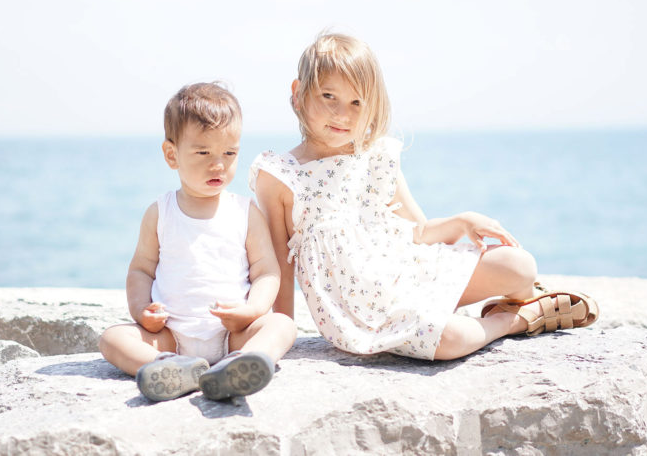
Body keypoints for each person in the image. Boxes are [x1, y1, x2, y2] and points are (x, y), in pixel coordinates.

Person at [250, 32, 598, 361]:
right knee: (451, 339)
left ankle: (499, 301)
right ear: (299, 93)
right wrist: (283, 332)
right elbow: (278, 262)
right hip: (365, 311)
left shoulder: (375, 157)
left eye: (357, 102)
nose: (343, 114)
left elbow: (418, 231)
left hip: (409, 273)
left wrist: (463, 221)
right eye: (329, 97)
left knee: (520, 265)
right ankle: (519, 319)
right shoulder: (281, 175)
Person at [99, 82, 297, 401]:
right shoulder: (160, 213)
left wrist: (252, 310)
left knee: (282, 326)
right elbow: (141, 271)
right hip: (171, 336)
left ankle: (241, 365)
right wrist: (141, 311)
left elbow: (266, 272)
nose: (217, 163)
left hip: (233, 334)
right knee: (112, 339)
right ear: (171, 154)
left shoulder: (245, 212)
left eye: (229, 153)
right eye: (203, 152)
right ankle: (172, 369)